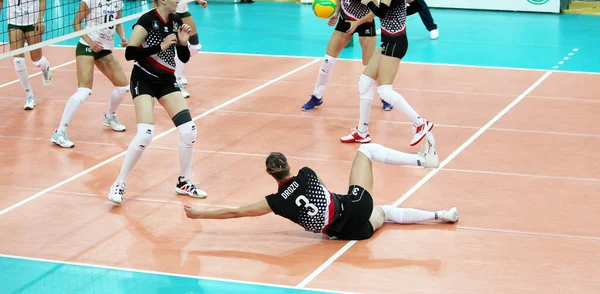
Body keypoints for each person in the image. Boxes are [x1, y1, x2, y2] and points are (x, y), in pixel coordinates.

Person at [184, 132, 458, 240]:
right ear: (288, 165)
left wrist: (199, 214)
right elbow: (326, 193)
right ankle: (423, 161)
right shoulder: (305, 173)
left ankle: (441, 215)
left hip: (347, 232)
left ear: (270, 174)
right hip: (353, 208)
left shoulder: (274, 202)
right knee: (368, 150)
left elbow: (236, 212)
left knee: (386, 213)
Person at [108, 0, 207, 205]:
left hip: (166, 80)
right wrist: (160, 47)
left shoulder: (176, 20)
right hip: (143, 79)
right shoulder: (146, 20)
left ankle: (184, 181)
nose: (178, 0)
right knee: (145, 134)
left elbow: (182, 58)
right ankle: (119, 183)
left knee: (189, 131)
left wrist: (182, 44)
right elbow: (130, 53)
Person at [339, 0, 433, 146]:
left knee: (385, 90)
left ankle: (420, 123)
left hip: (395, 42)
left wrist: (368, 3)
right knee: (364, 83)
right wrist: (398, 13)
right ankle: (362, 132)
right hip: (389, 41)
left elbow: (381, 11)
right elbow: (416, 5)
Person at [302, 0, 395, 112]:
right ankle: (317, 96)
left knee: (369, 65)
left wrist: (358, 22)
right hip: (345, 22)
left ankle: (384, 97)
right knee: (327, 61)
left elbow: (376, 8)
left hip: (366, 22)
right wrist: (335, 13)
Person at [51, 0, 129, 148]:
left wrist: (123, 37)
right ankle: (59, 132)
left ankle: (109, 117)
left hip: (105, 48)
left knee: (123, 87)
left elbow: (118, 21)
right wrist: (91, 41)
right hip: (87, 46)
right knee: (84, 90)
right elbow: (76, 24)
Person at [0, 0, 52, 110]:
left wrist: (40, 19)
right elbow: (0, 0)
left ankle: (45, 67)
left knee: (36, 60)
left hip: (32, 21)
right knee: (18, 60)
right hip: (14, 22)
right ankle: (29, 95)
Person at [159, 0, 207, 99]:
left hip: (183, 9)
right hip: (171, 12)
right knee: (179, 46)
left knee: (195, 45)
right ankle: (176, 81)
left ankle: (177, 71)